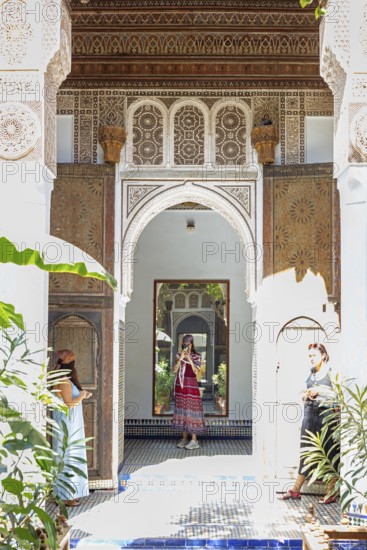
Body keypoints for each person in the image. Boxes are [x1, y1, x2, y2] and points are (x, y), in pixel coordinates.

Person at [279, 342, 339, 503]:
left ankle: (331, 491)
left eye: (314, 355)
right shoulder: (311, 373)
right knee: (306, 451)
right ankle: (295, 490)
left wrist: (319, 391)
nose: (311, 359)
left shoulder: (332, 373)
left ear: (324, 356)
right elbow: (303, 392)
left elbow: (338, 395)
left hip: (326, 416)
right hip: (309, 413)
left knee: (329, 452)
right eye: (310, 356)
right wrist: (305, 395)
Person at [52, 349, 92, 507]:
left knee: (69, 455)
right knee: (67, 456)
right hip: (66, 424)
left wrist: (81, 394)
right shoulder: (63, 380)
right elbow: (69, 403)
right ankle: (65, 496)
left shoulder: (64, 378)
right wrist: (81, 395)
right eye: (72, 361)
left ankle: (69, 494)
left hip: (70, 423)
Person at [171, 334, 206, 449]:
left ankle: (194, 441)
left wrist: (189, 358)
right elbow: (175, 370)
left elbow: (196, 371)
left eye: (188, 343)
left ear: (192, 344)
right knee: (183, 411)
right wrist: (181, 358)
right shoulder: (179, 355)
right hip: (180, 385)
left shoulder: (197, 356)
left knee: (192, 410)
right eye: (184, 343)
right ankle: (184, 439)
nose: (186, 345)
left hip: (191, 385)